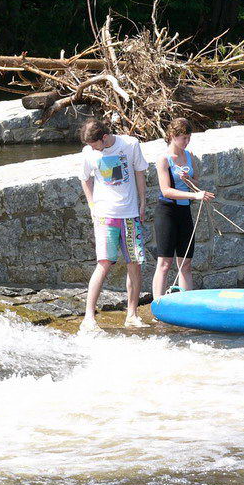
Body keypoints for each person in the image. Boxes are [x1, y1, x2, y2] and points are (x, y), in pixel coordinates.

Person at [78, 118, 149, 332]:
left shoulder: (130, 145)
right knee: (104, 262)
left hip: (129, 214)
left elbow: (139, 173)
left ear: (105, 137)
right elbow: (85, 178)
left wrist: (143, 202)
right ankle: (89, 316)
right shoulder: (88, 153)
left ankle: (132, 314)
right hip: (104, 216)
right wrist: (91, 205)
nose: (92, 148)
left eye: (95, 144)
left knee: (134, 263)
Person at [152, 118, 215, 300]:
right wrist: (194, 195)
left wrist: (189, 180)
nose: (186, 142)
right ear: (172, 136)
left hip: (184, 212)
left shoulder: (189, 155)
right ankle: (159, 304)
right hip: (167, 212)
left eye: (188, 138)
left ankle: (187, 303)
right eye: (183, 138)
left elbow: (196, 182)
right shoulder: (163, 159)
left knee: (185, 263)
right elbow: (166, 190)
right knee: (164, 262)